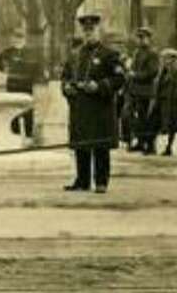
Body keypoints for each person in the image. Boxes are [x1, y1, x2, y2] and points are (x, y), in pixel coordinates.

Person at [61, 13, 125, 194]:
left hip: (100, 109)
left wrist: (99, 86)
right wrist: (67, 88)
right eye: (85, 30)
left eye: (92, 30)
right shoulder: (74, 55)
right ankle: (82, 181)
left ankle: (101, 182)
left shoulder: (110, 55)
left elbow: (119, 79)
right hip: (80, 109)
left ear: (99, 31)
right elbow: (65, 77)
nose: (89, 33)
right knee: (81, 145)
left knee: (100, 145)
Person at [0, 32, 37, 138]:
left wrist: (32, 76)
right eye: (16, 39)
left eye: (20, 39)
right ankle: (15, 132)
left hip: (26, 84)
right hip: (13, 84)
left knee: (28, 108)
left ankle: (28, 133)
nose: (18, 41)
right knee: (13, 108)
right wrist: (3, 69)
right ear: (13, 40)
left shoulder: (30, 53)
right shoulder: (8, 52)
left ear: (24, 40)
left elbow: (36, 66)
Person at [126, 27, 160, 155]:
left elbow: (152, 72)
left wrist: (135, 75)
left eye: (143, 38)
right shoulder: (137, 53)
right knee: (138, 118)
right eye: (139, 38)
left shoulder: (152, 53)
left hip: (147, 91)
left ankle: (150, 145)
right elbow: (134, 68)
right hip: (136, 91)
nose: (140, 40)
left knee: (147, 119)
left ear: (149, 39)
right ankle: (140, 142)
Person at [152, 48, 177, 156]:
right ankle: (164, 147)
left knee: (173, 125)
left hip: (174, 102)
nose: (164, 61)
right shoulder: (163, 71)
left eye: (166, 58)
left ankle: (168, 147)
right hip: (164, 102)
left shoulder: (174, 72)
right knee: (167, 125)